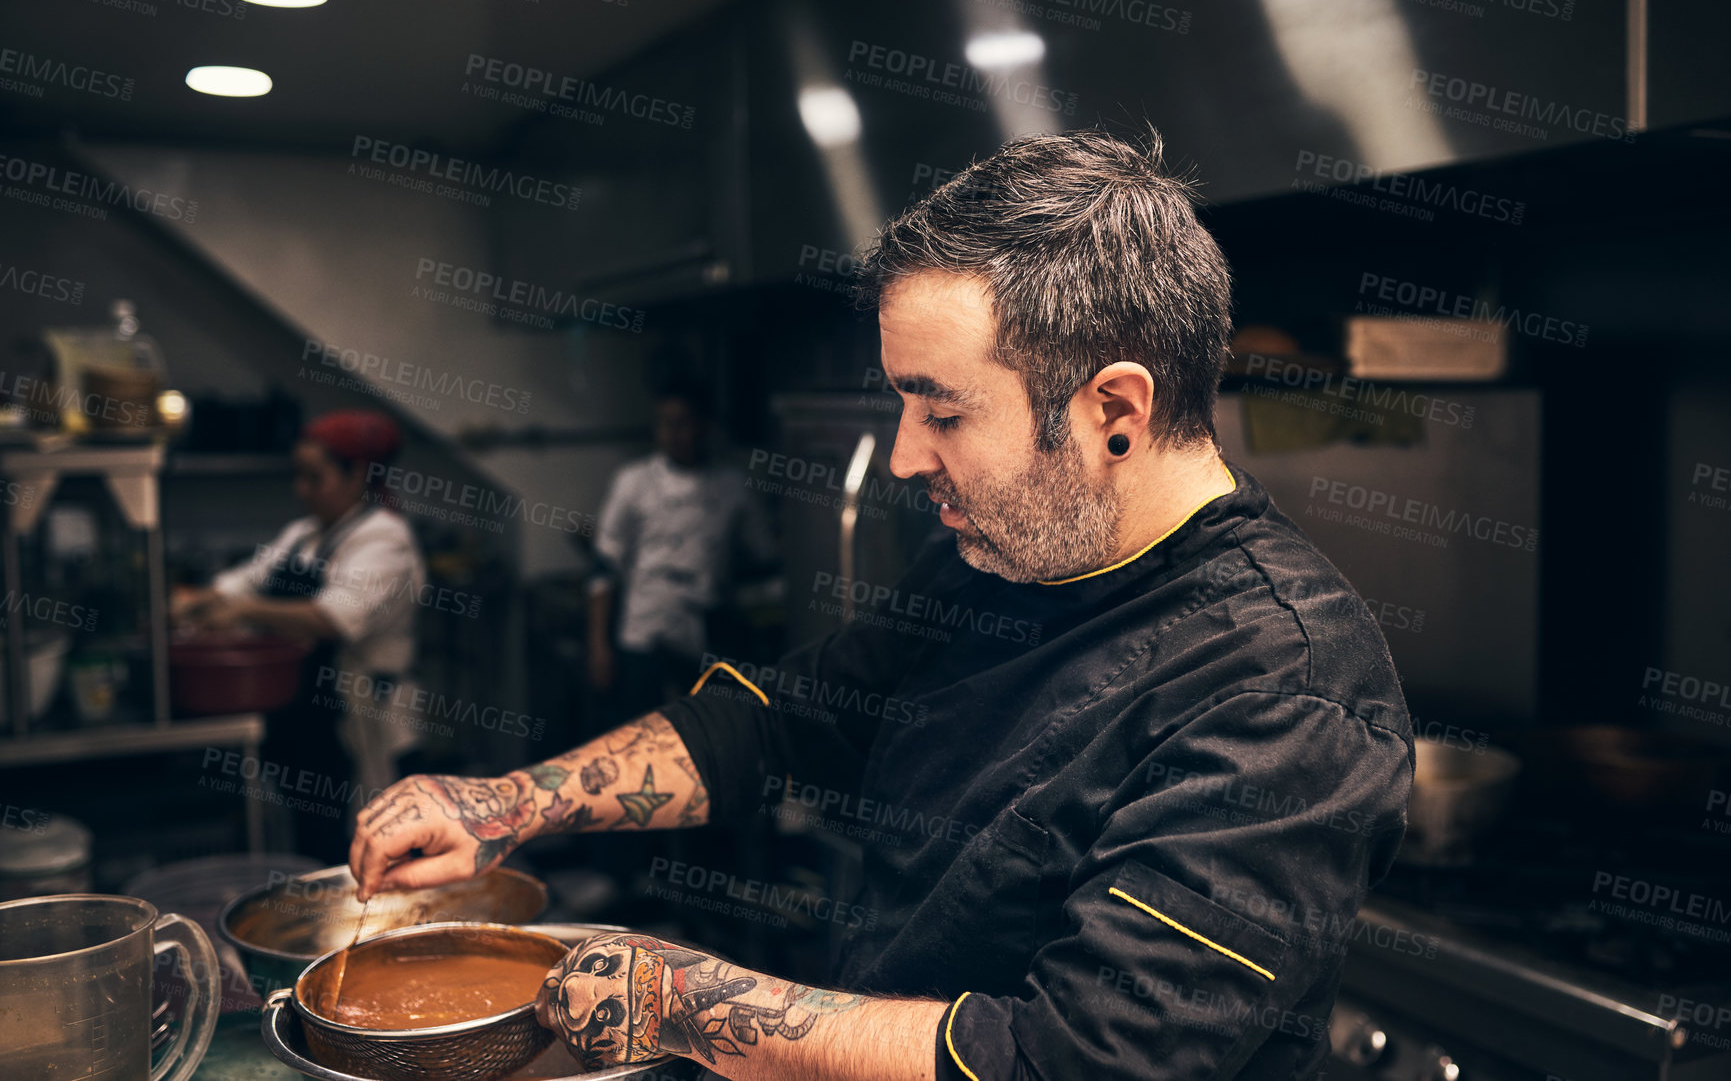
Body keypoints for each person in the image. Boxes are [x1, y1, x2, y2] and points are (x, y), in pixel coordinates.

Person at [349, 129, 1413, 1081]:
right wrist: (508, 805)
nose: (907, 459)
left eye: (943, 413)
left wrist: (688, 1005)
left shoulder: (1286, 689)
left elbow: (1071, 1060)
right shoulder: (999, 555)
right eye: (904, 404)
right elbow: (779, 720)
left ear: (1115, 411)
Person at [175, 409, 427, 863]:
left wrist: (244, 611)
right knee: (310, 838)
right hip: (303, 711)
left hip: (360, 711)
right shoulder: (303, 534)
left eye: (315, 478)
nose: (301, 490)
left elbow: (334, 619)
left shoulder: (385, 539)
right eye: (299, 477)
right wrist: (190, 602)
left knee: (366, 845)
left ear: (357, 476)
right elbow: (244, 581)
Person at [586, 373, 775, 723]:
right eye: (665, 424)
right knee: (640, 733)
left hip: (706, 632)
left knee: (703, 730)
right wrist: (599, 646)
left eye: (682, 423)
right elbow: (603, 568)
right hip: (644, 628)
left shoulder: (733, 486)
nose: (673, 434)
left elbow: (762, 556)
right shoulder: (634, 482)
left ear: (705, 426)